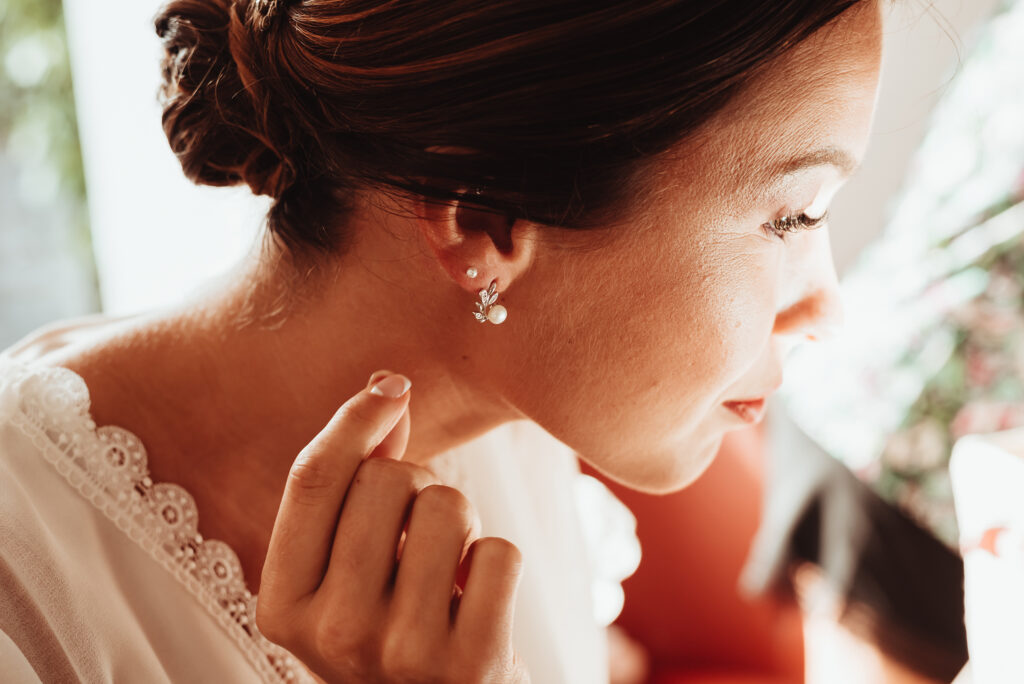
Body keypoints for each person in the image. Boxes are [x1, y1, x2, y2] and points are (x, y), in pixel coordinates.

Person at [0, 0, 883, 681]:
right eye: (791, 216)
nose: (825, 307)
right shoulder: (25, 597)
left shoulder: (530, 396)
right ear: (484, 219)